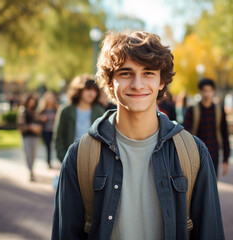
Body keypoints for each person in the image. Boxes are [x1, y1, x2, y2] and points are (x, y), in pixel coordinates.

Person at [52, 31, 224, 239]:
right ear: (109, 82)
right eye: (125, 73)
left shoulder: (193, 153)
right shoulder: (79, 156)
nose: (137, 84)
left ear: (162, 81)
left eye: (148, 73)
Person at [183, 79, 230, 177]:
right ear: (200, 91)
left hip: (213, 152)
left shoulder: (219, 110)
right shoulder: (192, 110)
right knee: (196, 185)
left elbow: (225, 133)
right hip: (196, 153)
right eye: (205, 90)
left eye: (209, 91)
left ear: (213, 92)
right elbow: (184, 132)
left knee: (212, 183)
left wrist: (225, 159)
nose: (207, 94)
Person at [54, 74, 105, 162]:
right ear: (79, 90)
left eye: (95, 90)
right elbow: (59, 137)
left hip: (93, 160)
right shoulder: (66, 111)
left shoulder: (100, 112)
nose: (92, 93)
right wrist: (63, 157)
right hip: (71, 159)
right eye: (88, 89)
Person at [17, 95, 41, 181]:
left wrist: (38, 128)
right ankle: (30, 171)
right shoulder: (22, 110)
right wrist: (30, 127)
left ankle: (32, 169)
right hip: (26, 136)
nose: (32, 103)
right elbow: (20, 125)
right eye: (30, 101)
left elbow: (39, 122)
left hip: (34, 136)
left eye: (33, 101)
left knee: (33, 154)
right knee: (28, 154)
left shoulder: (35, 111)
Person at [38, 91, 58, 169]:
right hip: (46, 131)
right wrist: (42, 119)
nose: (50, 100)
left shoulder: (56, 109)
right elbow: (38, 119)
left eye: (51, 98)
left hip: (54, 131)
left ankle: (55, 160)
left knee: (54, 146)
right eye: (48, 98)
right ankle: (48, 161)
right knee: (48, 147)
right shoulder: (43, 110)